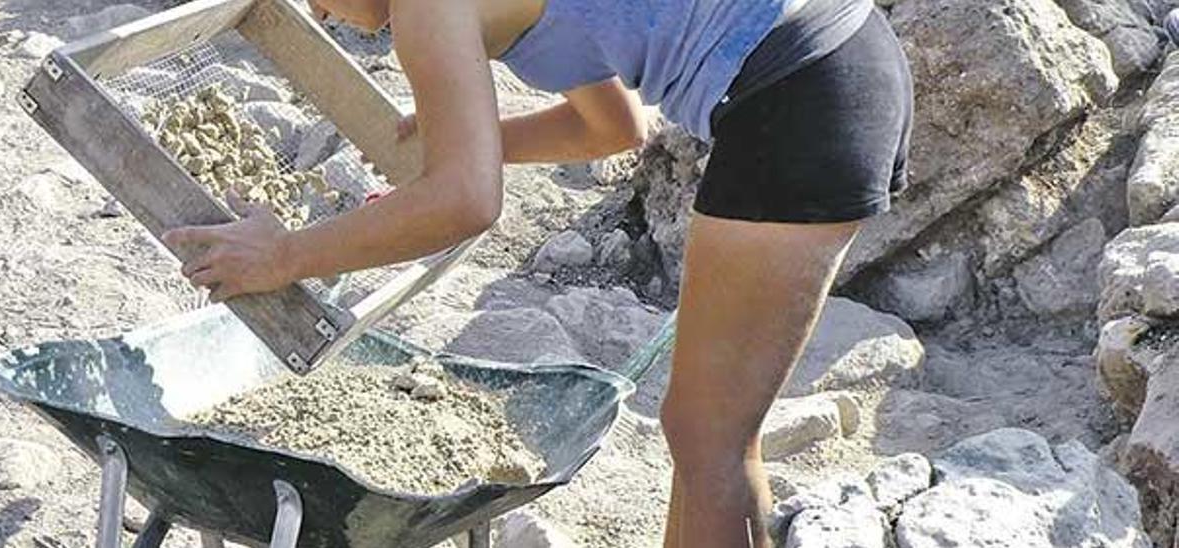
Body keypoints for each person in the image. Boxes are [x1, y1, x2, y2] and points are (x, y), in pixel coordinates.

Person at [163, 0, 912, 545]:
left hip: (796, 91)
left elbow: (465, 204)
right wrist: (465, 141)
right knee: (699, 431)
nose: (316, 9)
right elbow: (614, 128)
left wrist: (285, 255)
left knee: (712, 441)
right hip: (831, 66)